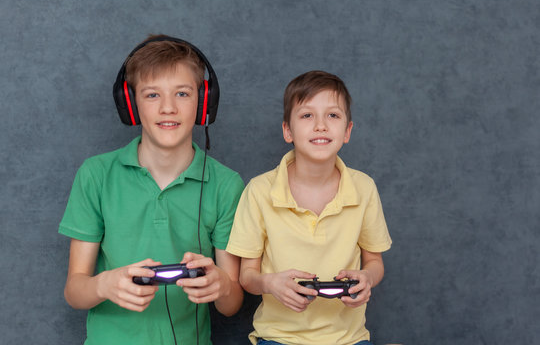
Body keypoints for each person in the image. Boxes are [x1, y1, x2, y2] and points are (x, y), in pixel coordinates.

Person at [59, 34, 244, 344]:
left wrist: (223, 286)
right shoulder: (95, 175)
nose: (168, 108)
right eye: (152, 95)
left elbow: (232, 303)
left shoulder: (226, 184)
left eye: (182, 94)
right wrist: (104, 284)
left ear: (203, 101)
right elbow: (74, 291)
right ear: (131, 104)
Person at [226, 70, 392, 345]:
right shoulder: (259, 190)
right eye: (307, 115)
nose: (320, 125)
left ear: (348, 131)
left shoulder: (364, 188)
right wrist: (270, 284)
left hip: (348, 340)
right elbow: (247, 276)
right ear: (287, 131)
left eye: (333, 115)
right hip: (278, 338)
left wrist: (366, 278)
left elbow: (375, 263)